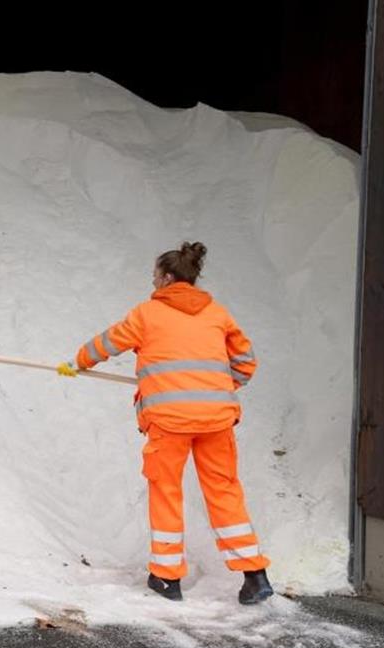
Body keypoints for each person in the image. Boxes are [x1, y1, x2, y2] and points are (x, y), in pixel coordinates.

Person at [57, 241, 273, 605]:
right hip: (216, 419)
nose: (152, 281)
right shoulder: (217, 314)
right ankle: (255, 575)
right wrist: (215, 386)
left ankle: (167, 579)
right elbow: (246, 362)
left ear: (168, 278)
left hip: (169, 421)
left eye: (155, 275)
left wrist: (77, 363)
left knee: (166, 490)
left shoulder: (147, 314)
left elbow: (107, 343)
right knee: (224, 491)